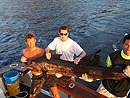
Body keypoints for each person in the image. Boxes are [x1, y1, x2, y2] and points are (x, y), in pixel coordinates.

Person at [82, 34, 130, 98]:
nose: (128, 49)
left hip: (121, 95)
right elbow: (104, 72)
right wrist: (91, 78)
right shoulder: (112, 56)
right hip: (105, 88)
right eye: (127, 45)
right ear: (123, 43)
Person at [45, 26, 86, 97]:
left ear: (68, 34)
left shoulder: (72, 43)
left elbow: (83, 53)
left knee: (71, 87)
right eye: (61, 34)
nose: (63, 36)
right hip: (58, 67)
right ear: (59, 33)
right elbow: (47, 48)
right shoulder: (56, 40)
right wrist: (47, 52)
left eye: (65, 34)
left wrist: (79, 57)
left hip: (70, 68)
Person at [21, 33, 60, 98]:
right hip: (36, 76)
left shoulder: (40, 51)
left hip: (47, 74)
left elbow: (48, 63)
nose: (32, 43)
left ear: (35, 40)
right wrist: (23, 62)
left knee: (55, 94)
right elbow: (26, 65)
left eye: (33, 41)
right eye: (29, 42)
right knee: (31, 96)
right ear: (26, 42)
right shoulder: (24, 52)